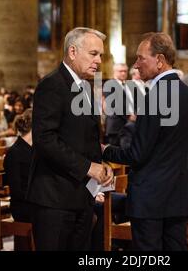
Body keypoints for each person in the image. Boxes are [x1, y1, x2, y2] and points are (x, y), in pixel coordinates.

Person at [102, 32, 188, 251]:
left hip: (149, 199)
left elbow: (137, 154)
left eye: (140, 58)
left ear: (160, 61)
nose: (135, 65)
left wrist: (106, 150)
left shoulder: (154, 97)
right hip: (178, 194)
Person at [26, 27, 113, 251]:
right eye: (93, 54)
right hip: (54, 198)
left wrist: (101, 166)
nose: (99, 60)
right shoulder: (52, 84)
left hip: (80, 195)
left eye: (101, 55)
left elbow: (83, 138)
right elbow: (45, 139)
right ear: (72, 52)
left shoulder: (85, 86)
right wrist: (88, 167)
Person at [3, 109, 33, 223]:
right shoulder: (14, 153)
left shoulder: (36, 150)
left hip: (38, 203)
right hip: (23, 207)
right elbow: (17, 191)